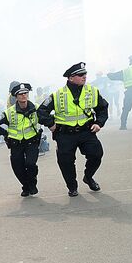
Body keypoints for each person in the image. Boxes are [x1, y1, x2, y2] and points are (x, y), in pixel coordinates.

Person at [37, 62, 109, 197]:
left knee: (96, 154)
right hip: (65, 134)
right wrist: (51, 124)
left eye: (85, 74)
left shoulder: (91, 91)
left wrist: (99, 123)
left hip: (86, 131)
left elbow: (103, 107)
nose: (84, 77)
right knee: (66, 162)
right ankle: (72, 186)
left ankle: (88, 177)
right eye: (80, 75)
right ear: (71, 78)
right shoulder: (58, 94)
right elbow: (41, 111)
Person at [0, 83, 42, 196]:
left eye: (25, 93)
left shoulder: (36, 108)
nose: (23, 96)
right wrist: (5, 133)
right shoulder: (9, 112)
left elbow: (47, 117)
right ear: (16, 97)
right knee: (17, 167)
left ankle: (32, 184)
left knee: (31, 164)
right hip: (16, 143)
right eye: (20, 94)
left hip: (32, 141)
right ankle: (25, 186)